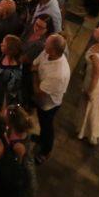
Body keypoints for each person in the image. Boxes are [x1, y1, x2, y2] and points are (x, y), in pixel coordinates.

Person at [31, 34, 70, 163]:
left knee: (47, 126)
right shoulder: (47, 52)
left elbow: (39, 91)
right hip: (41, 99)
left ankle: (45, 150)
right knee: (43, 124)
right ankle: (41, 138)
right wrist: (35, 71)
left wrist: (35, 73)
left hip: (49, 105)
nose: (44, 45)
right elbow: (34, 64)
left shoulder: (59, 73)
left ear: (53, 50)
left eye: (46, 44)